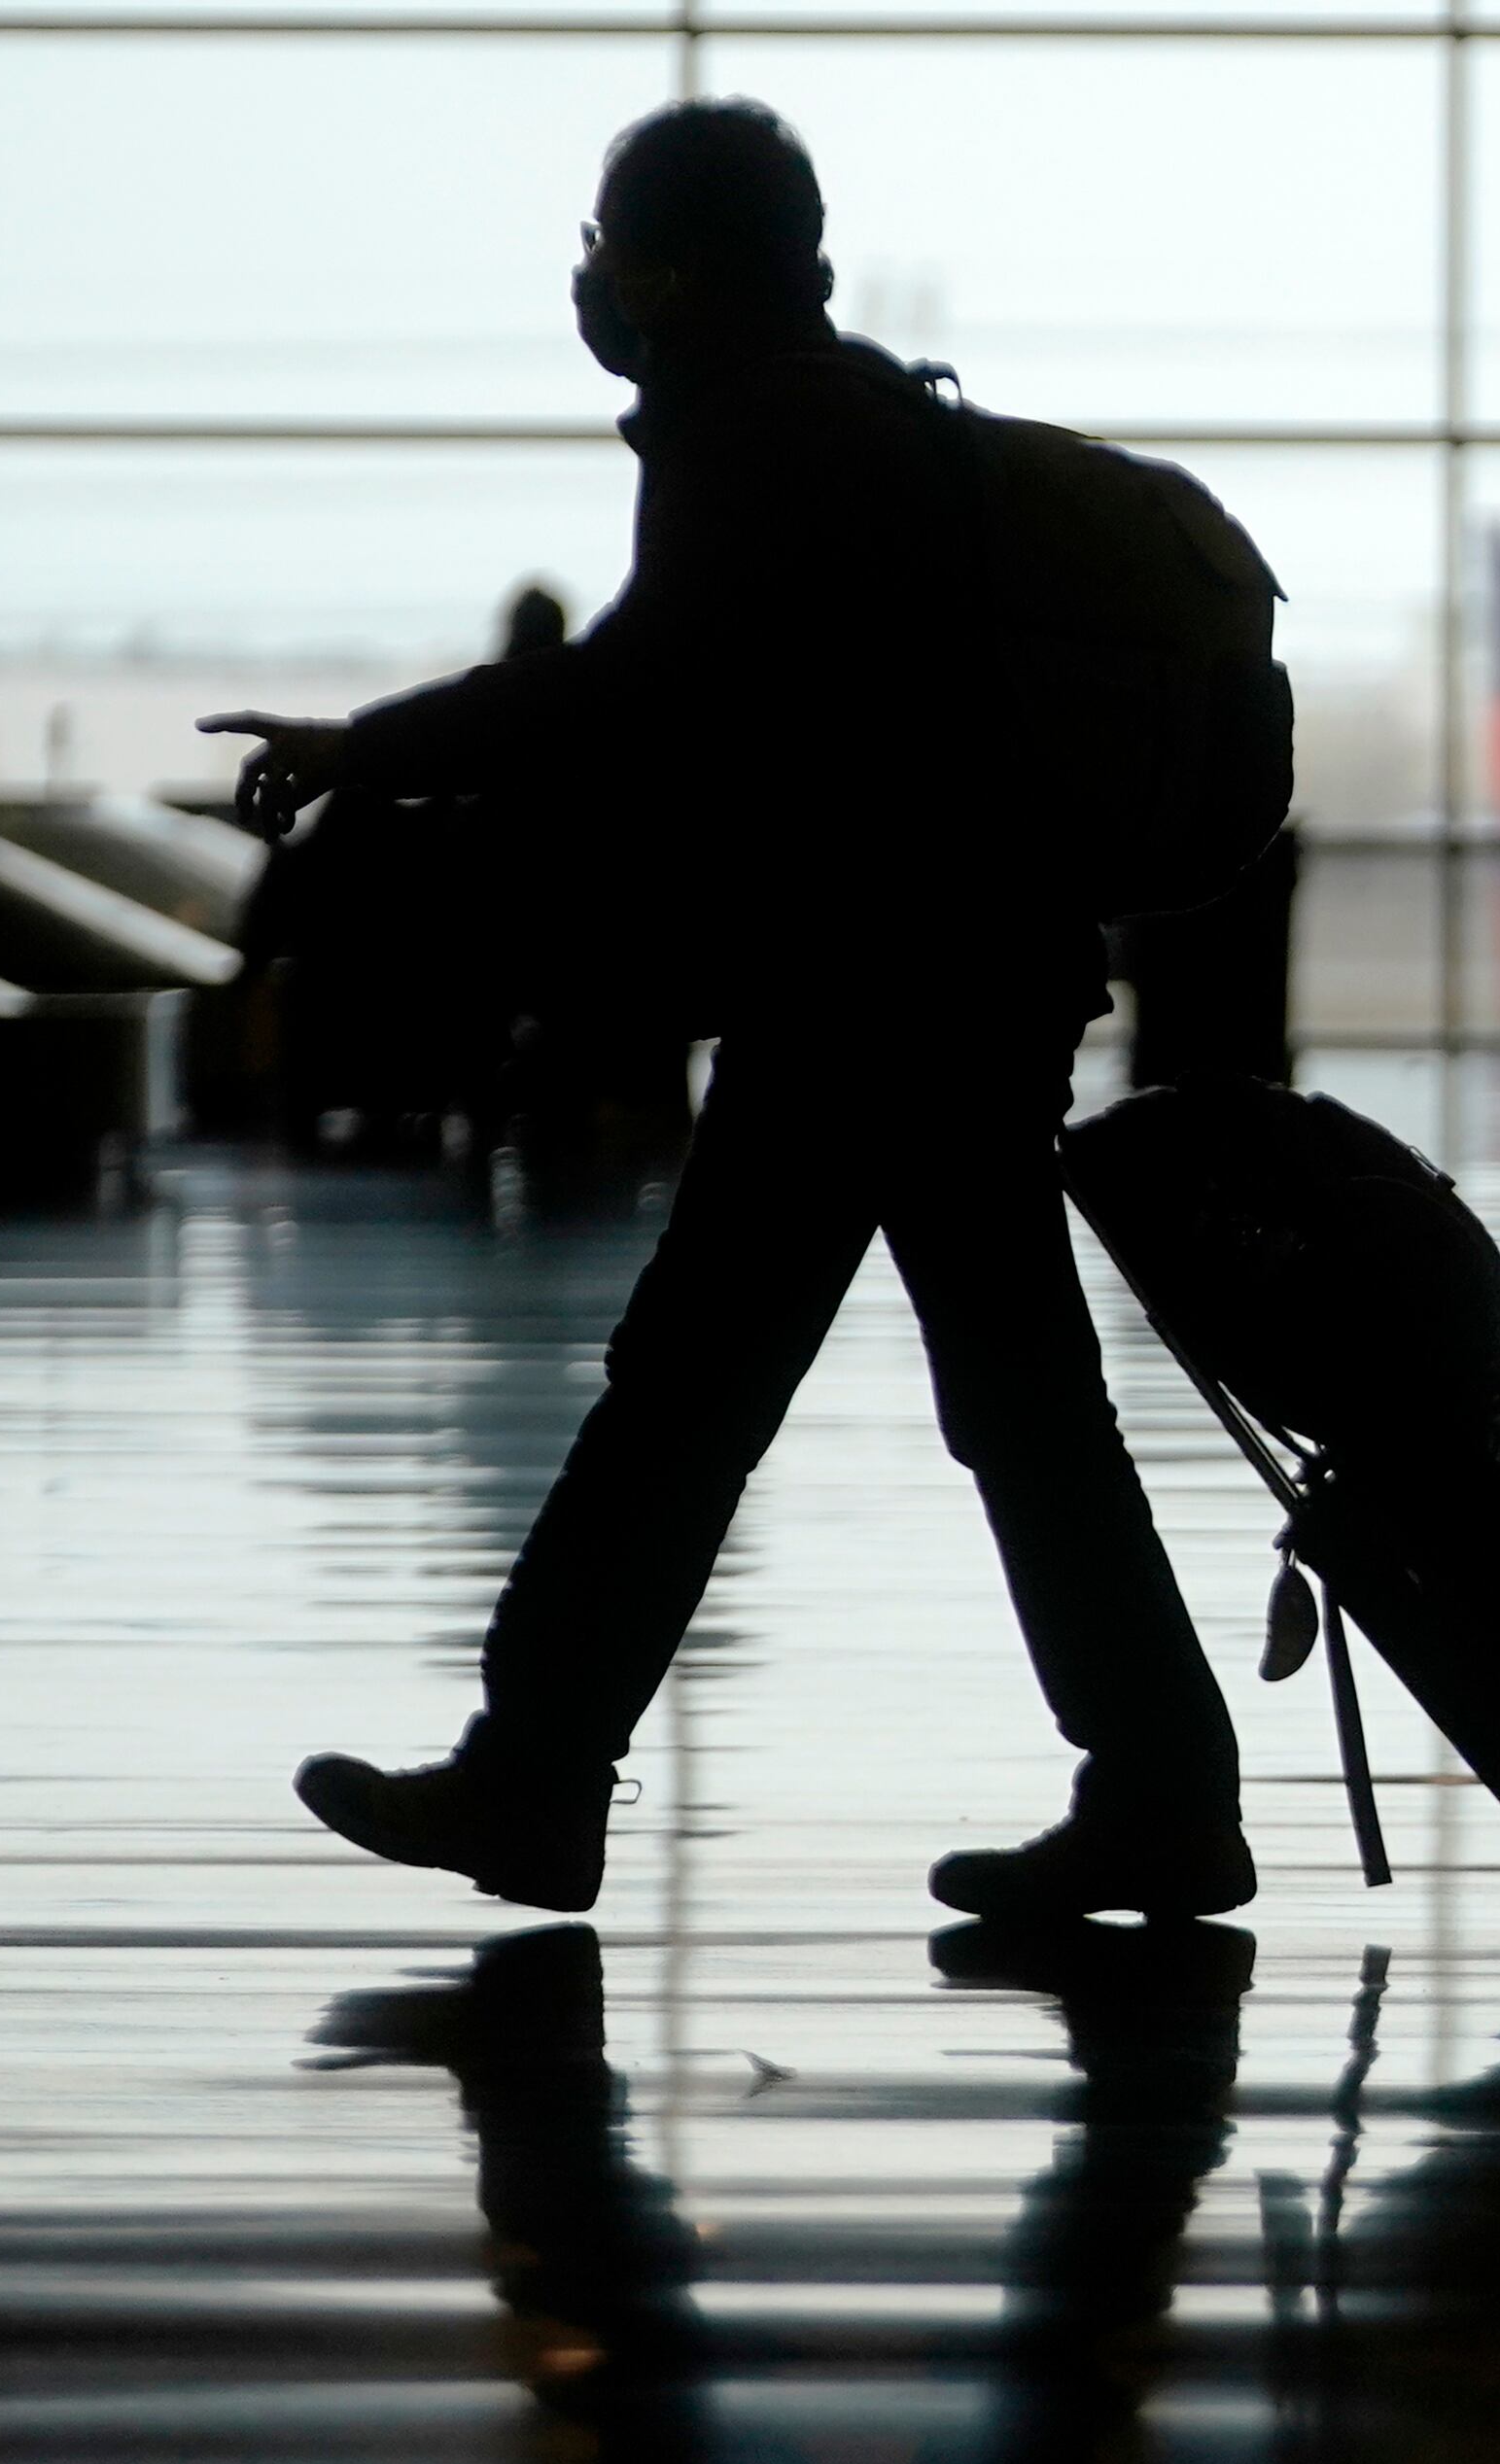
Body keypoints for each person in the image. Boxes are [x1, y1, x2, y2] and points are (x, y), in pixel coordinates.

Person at [204, 100, 1244, 1927]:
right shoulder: (848, 417)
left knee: (694, 1394)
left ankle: (540, 1780)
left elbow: (633, 687)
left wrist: (370, 754)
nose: (592, 279)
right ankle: (1160, 1790)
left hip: (872, 1000)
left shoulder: (762, 435)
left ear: (671, 268)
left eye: (608, 243)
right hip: (947, 984)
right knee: (995, 1409)